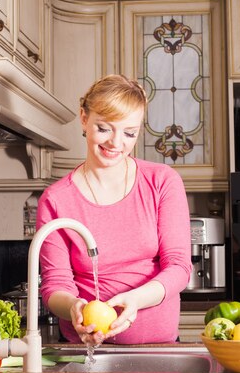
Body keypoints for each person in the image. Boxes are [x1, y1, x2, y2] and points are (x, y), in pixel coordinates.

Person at [36, 74, 191, 345]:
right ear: (84, 119)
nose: (116, 143)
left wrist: (135, 300)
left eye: (129, 133)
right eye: (105, 128)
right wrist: (75, 308)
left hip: (160, 350)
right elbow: (55, 284)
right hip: (87, 352)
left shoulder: (162, 181)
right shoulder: (56, 200)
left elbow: (179, 267)